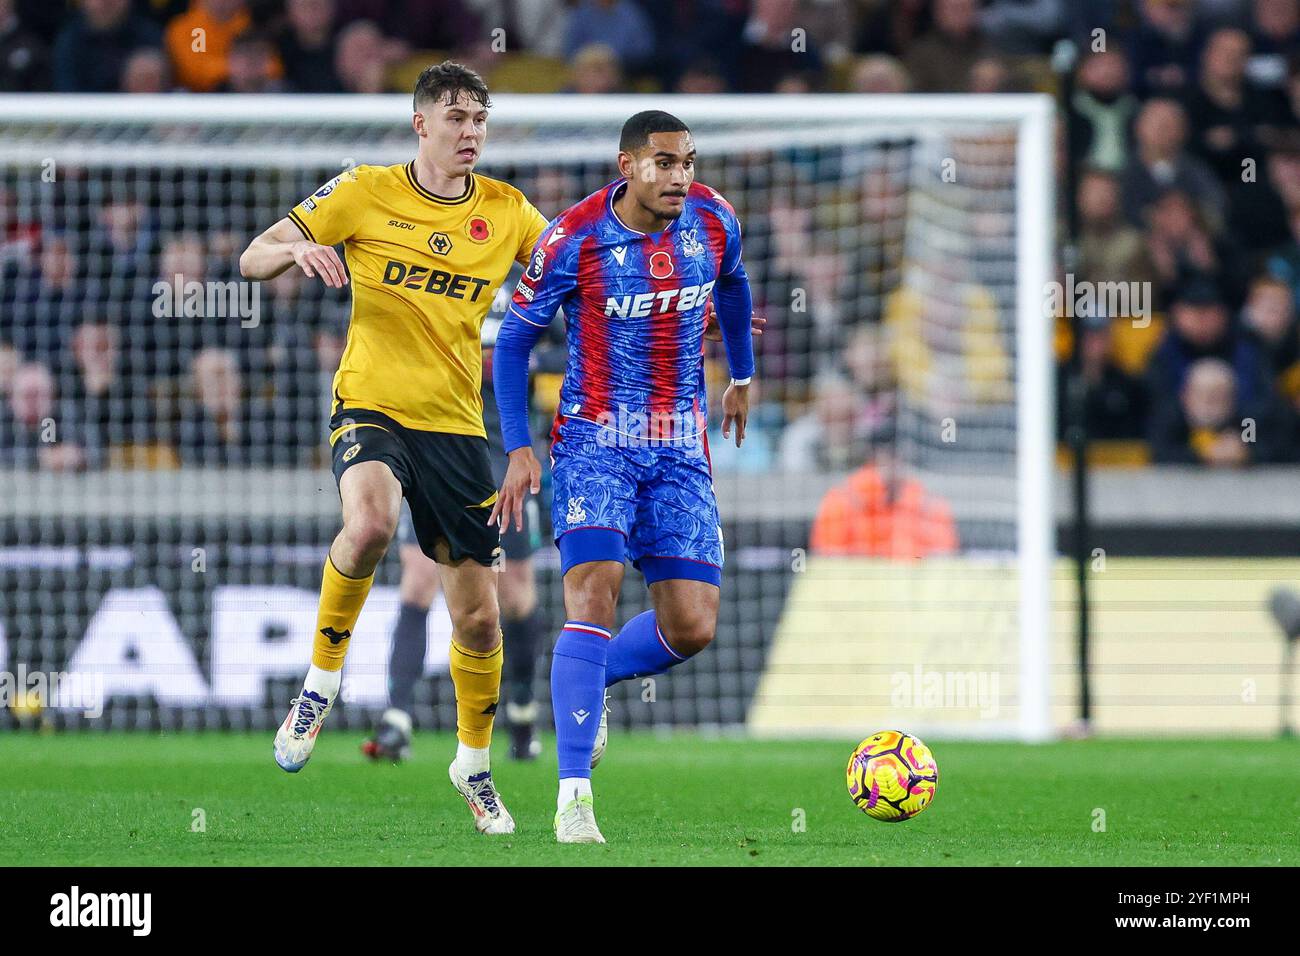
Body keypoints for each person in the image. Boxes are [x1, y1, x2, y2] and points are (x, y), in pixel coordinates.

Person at [238, 60, 549, 835]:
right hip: (370, 405)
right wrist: (295, 252)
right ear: (422, 125)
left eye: (479, 119)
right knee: (371, 525)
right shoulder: (363, 189)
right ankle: (320, 684)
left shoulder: (508, 213)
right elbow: (252, 256)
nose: (470, 131)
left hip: (456, 428)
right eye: (455, 118)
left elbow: (580, 280)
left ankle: (472, 766)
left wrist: (693, 319)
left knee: (478, 621)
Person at [491, 110, 756, 844]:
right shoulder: (572, 238)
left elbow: (733, 286)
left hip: (678, 443)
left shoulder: (714, 221)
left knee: (693, 625)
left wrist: (741, 373)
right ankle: (573, 797)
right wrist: (519, 448)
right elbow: (512, 345)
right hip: (593, 440)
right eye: (665, 162)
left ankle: (590, 676)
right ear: (627, 165)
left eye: (689, 162)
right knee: (594, 592)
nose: (681, 176)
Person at [362, 319, 548, 763]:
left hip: (505, 458)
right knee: (420, 576)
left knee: (516, 593)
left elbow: (571, 345)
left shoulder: (531, 275)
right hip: (437, 453)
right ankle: (397, 719)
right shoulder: (444, 268)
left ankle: (522, 712)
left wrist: (524, 359)